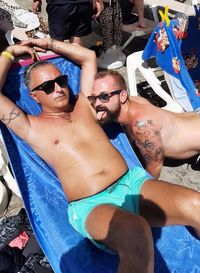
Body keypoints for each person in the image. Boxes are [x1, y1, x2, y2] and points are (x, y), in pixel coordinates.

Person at [1, 39, 200, 273]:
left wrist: (48, 43)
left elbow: (88, 57)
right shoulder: (30, 127)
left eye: (61, 81)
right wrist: (9, 52)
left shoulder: (84, 106)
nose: (58, 88)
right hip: (93, 205)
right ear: (34, 97)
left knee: (195, 204)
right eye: (47, 87)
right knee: (136, 232)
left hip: (133, 183)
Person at [90, 70, 200, 179]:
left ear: (122, 96)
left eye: (104, 97)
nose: (97, 103)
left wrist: (142, 191)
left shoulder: (141, 125)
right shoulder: (134, 101)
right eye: (93, 98)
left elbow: (155, 165)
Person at [32, 0, 103, 45]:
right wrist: (98, 1)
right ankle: (76, 66)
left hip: (60, 5)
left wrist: (36, 1)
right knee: (76, 39)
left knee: (57, 41)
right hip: (83, 5)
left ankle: (60, 66)